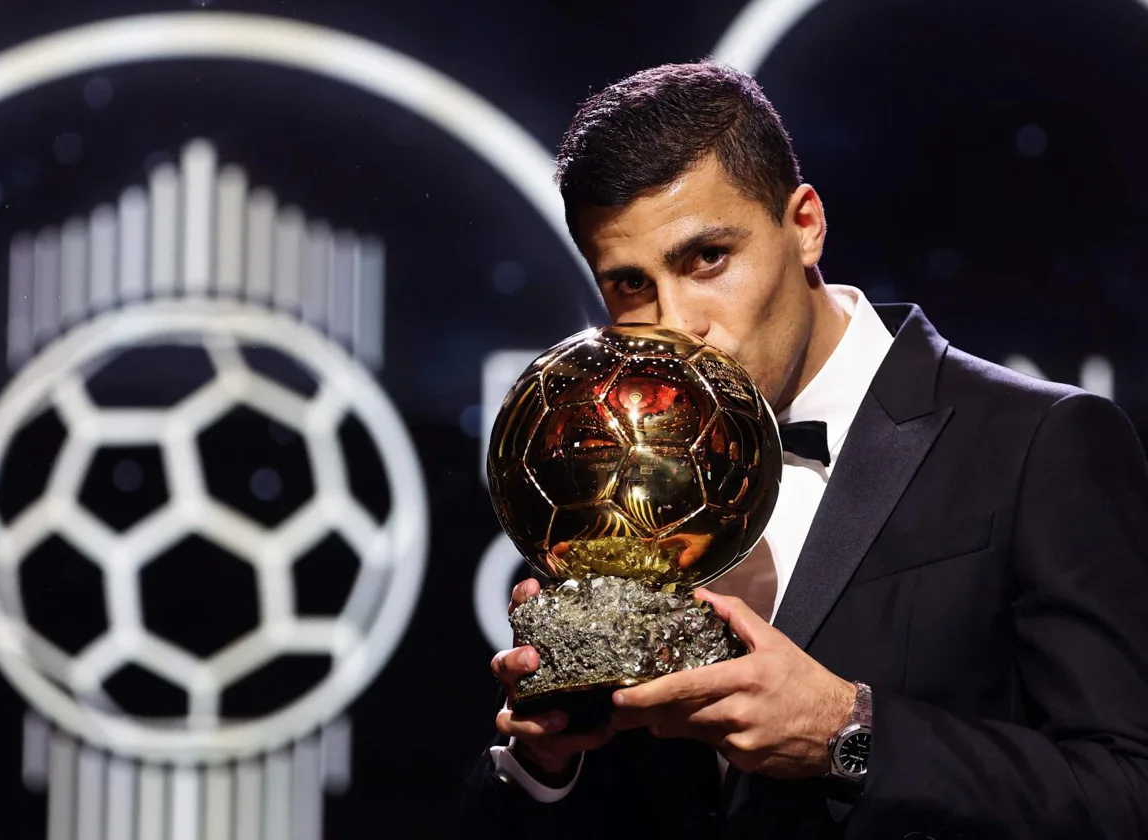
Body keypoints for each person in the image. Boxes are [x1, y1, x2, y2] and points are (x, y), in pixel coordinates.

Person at [458, 61, 1148, 839]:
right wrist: (549, 766)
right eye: (629, 286)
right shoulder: (606, 488)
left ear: (806, 224)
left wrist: (847, 734)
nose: (677, 322)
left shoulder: (1040, 444)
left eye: (707, 259)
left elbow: (1127, 792)